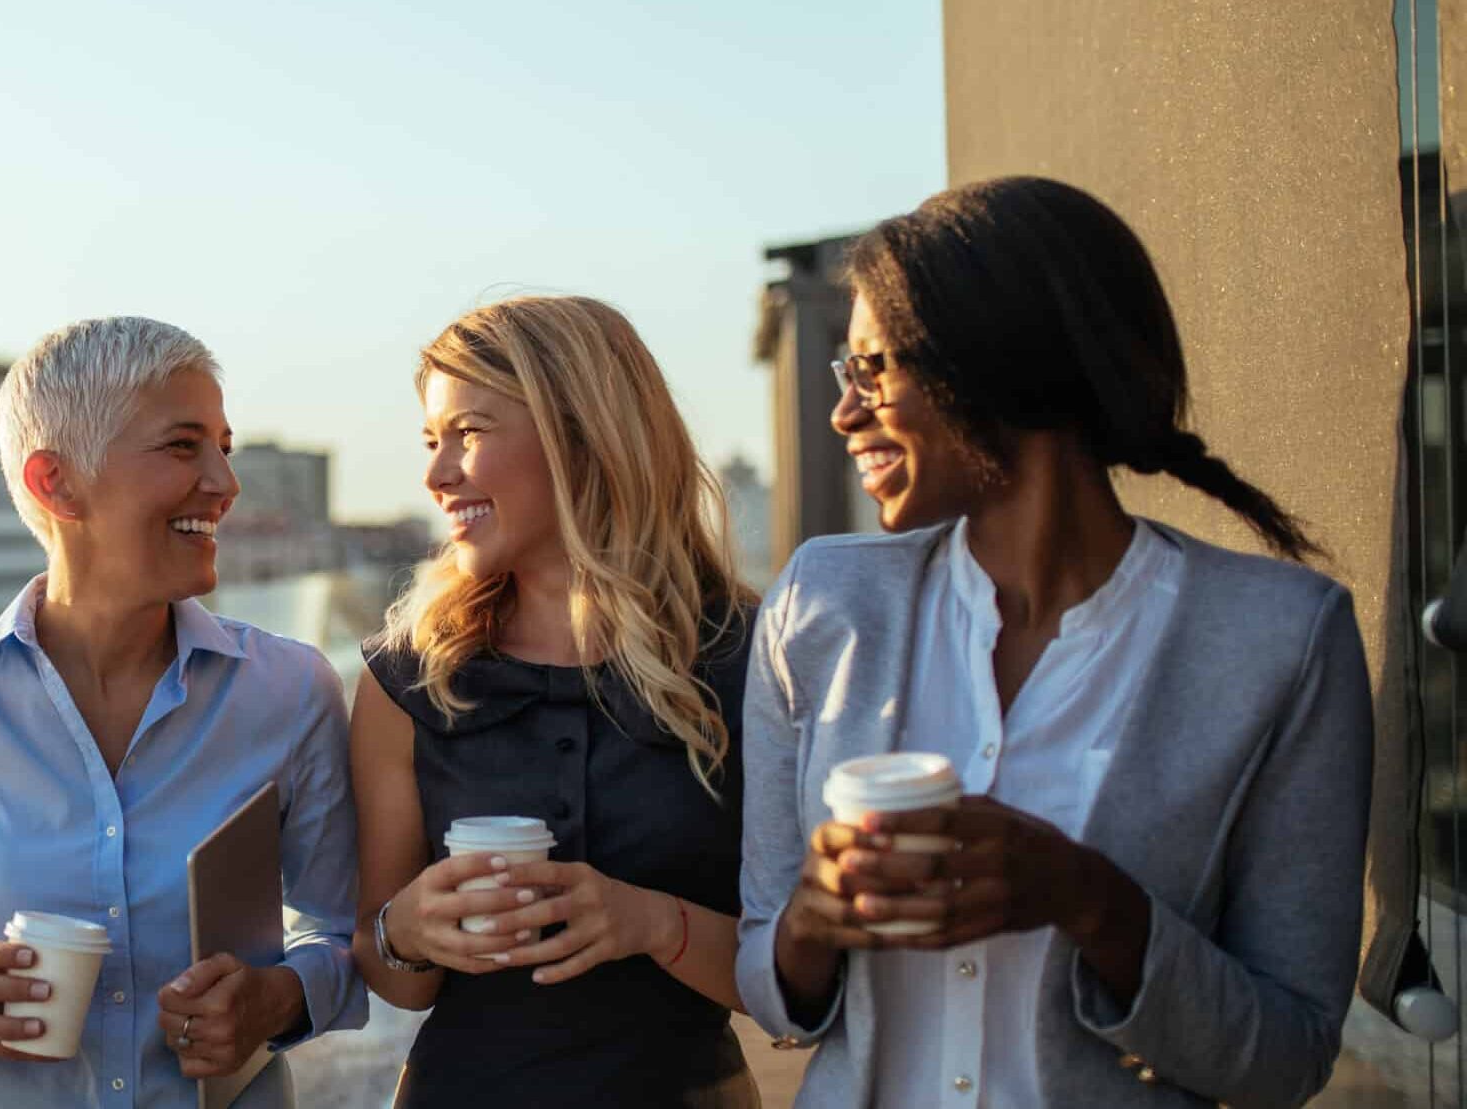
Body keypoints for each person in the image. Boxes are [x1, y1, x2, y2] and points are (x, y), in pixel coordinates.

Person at [736, 176, 1372, 1107]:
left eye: (871, 370)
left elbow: (1287, 1054)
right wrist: (812, 920)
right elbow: (770, 987)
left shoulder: (1281, 641)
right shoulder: (820, 607)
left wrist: (1087, 898)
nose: (845, 413)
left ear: (992, 358)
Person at [0, 316, 367, 1107]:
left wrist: (277, 998)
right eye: (182, 445)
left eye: (224, 447)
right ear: (54, 483)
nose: (225, 483)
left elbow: (345, 935)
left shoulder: (292, 691)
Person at [351, 295, 760, 1107]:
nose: (436, 476)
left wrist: (649, 922)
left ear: (583, 433)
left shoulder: (752, 656)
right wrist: (404, 929)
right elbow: (392, 977)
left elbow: (801, 979)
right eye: (432, 441)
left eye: (467, 433)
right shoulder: (404, 680)